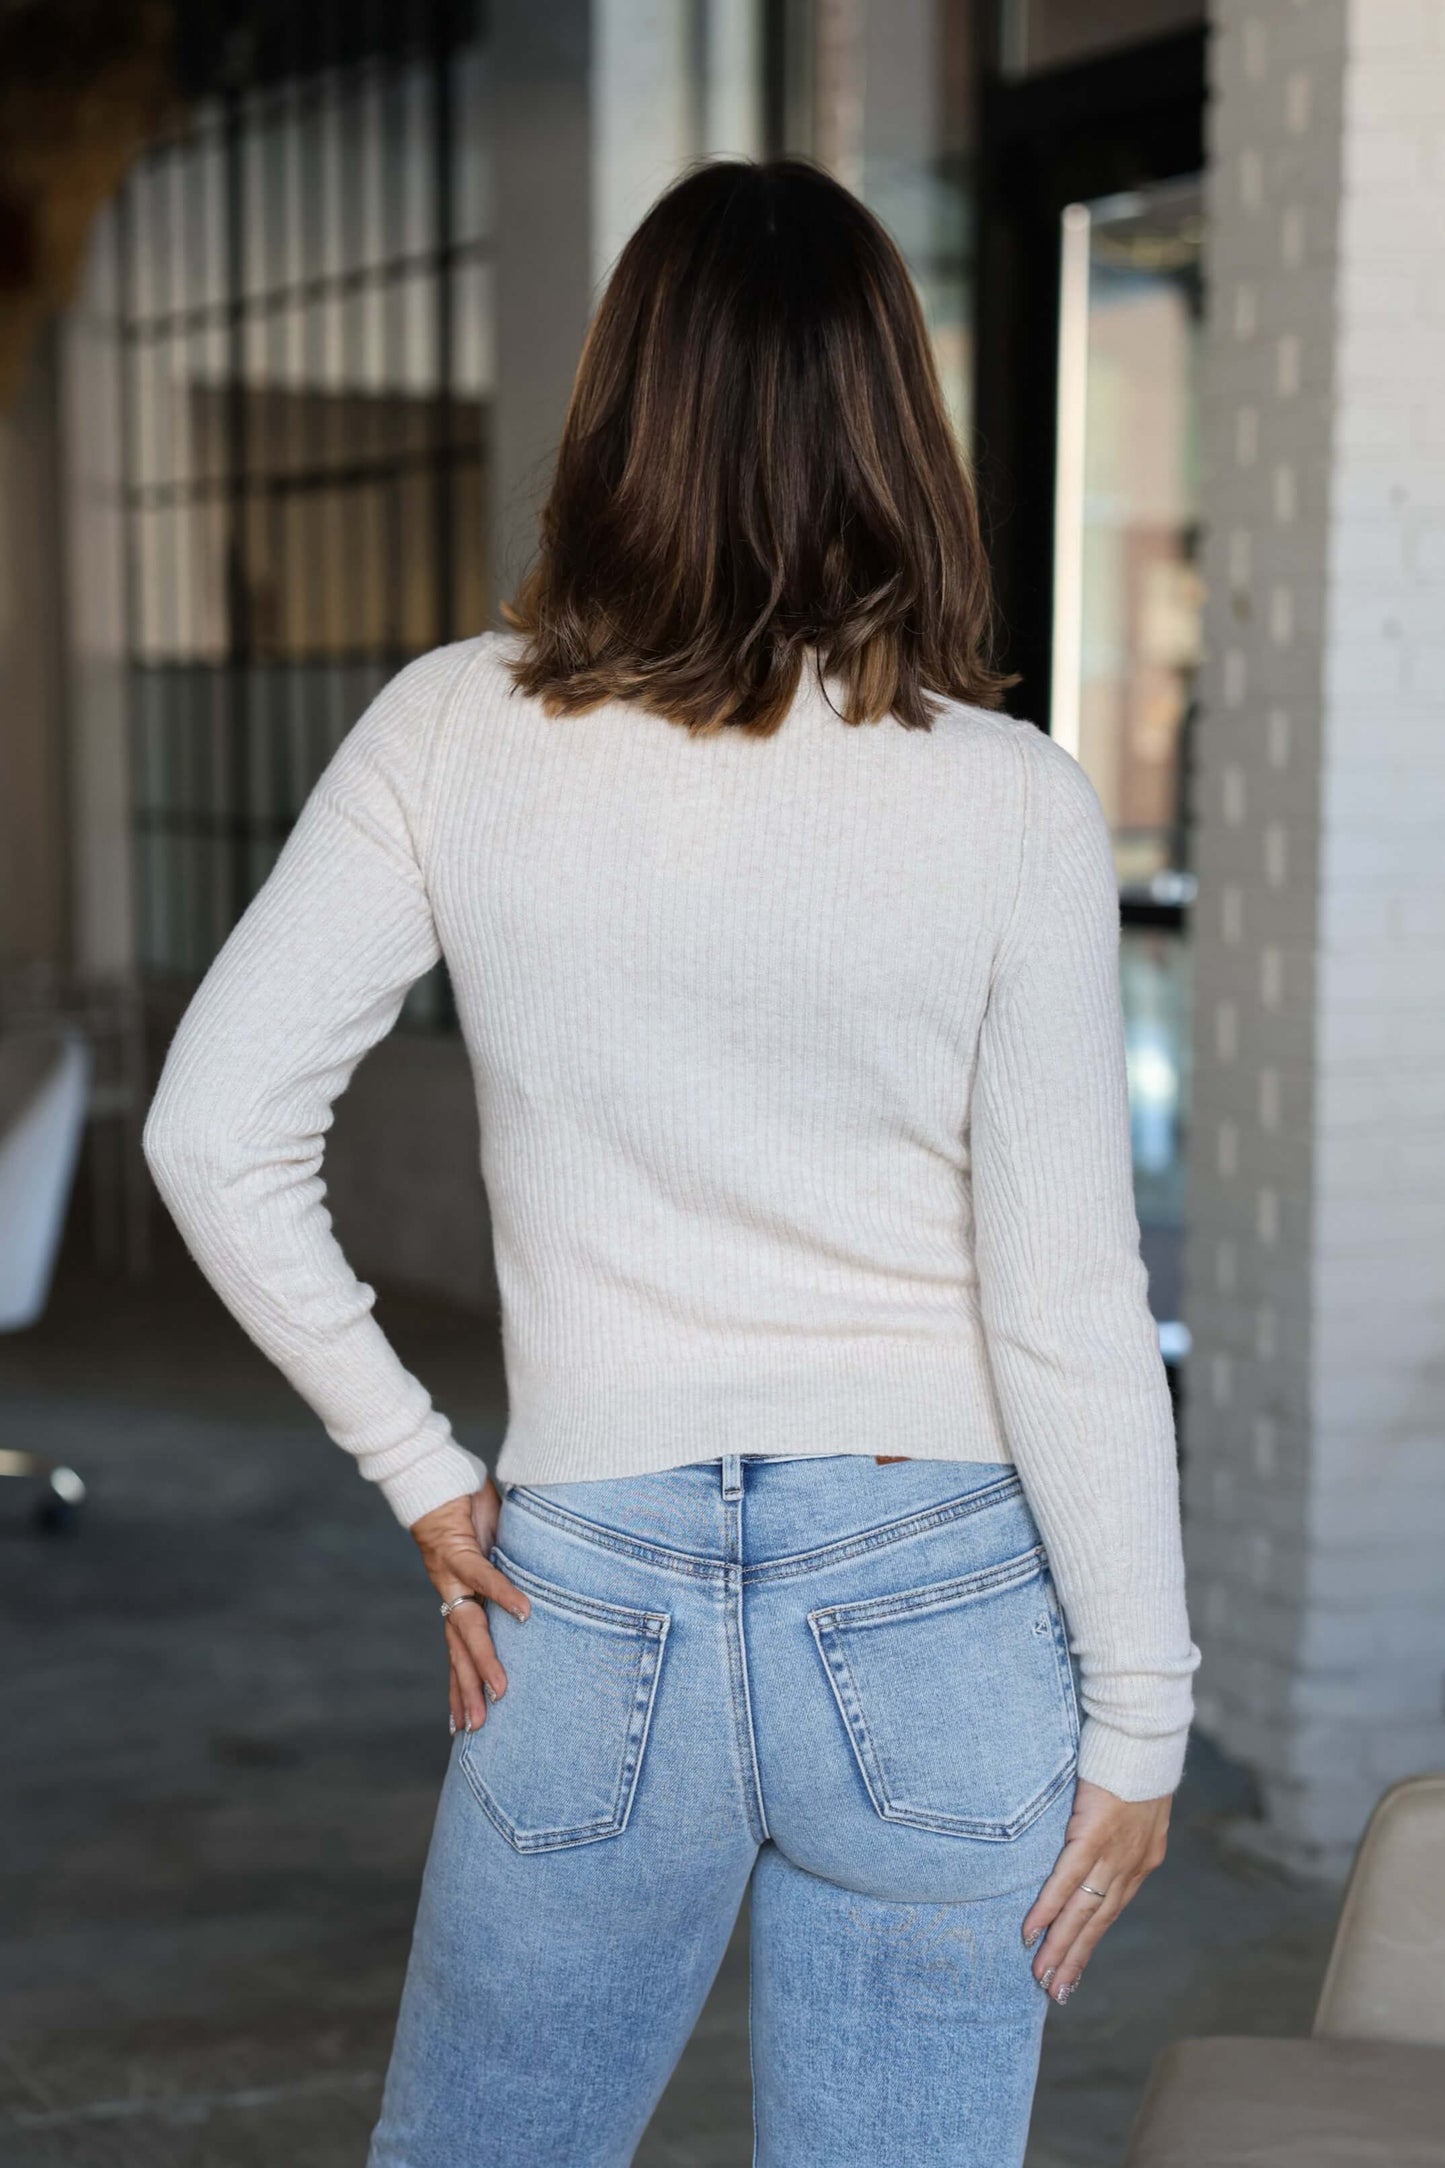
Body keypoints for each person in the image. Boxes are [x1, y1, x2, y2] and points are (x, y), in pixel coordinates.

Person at [144, 159, 1200, 2168]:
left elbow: (212, 1127)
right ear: (900, 425)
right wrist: (1140, 1716)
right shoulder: (1013, 802)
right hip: (944, 1590)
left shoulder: (457, 728)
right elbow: (1065, 1299)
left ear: (622, 410)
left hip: (589, 1584)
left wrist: (420, 1466)